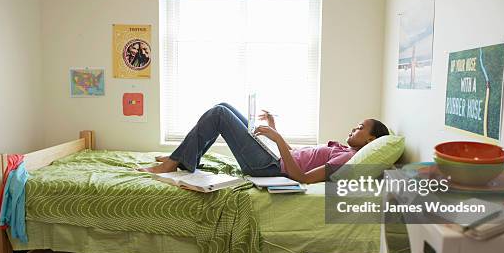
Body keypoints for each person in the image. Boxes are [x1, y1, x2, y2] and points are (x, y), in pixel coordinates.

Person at [140, 103, 390, 184]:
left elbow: (301, 177)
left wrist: (276, 139)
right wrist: (276, 130)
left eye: (360, 128)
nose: (354, 128)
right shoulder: (345, 150)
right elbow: (298, 156)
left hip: (269, 168)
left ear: (372, 139)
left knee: (218, 114)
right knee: (225, 107)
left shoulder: (348, 159)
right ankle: (184, 159)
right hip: (274, 159)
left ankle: (175, 163)